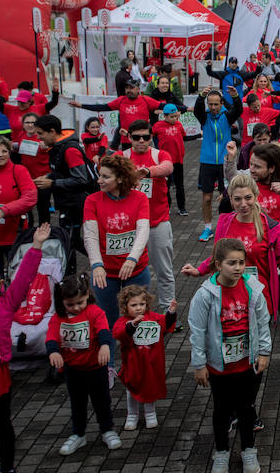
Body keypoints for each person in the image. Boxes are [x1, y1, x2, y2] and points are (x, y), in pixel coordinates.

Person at [183, 174, 280, 384]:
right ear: (230, 199)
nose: (243, 204)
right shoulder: (225, 222)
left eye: (248, 198)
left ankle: (247, 405)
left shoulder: (269, 225)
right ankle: (235, 405)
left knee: (256, 352)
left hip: (259, 298)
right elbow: (217, 256)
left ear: (256, 196)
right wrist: (199, 270)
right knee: (233, 348)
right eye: (237, 199)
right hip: (228, 295)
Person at [187, 238, 270, 473]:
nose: (237, 268)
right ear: (217, 264)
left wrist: (264, 352)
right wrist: (199, 364)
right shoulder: (205, 295)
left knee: (246, 409)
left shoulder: (253, 288)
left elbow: (263, 322)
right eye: (231, 263)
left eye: (241, 263)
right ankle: (222, 452)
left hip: (247, 364)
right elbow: (198, 331)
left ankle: (248, 451)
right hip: (219, 368)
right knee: (222, 411)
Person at [0, 223, 48, 473]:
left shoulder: (7, 303)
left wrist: (37, 245)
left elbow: (24, 277)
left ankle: (7, 467)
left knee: (2, 427)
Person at [83, 153, 151, 366]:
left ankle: (138, 363)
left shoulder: (139, 198)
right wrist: (96, 264)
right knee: (107, 320)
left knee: (138, 318)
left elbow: (143, 230)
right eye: (99, 175)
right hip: (106, 273)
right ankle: (109, 365)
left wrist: (132, 259)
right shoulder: (92, 200)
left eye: (105, 177)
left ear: (120, 178)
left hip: (136, 269)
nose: (99, 180)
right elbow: (90, 235)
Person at [45, 274, 121, 455]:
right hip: (73, 370)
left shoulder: (95, 312)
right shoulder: (58, 318)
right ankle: (78, 434)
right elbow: (51, 337)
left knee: (102, 400)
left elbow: (103, 330)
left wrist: (104, 346)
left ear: (88, 295)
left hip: (96, 368)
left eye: (81, 302)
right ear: (61, 301)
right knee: (77, 403)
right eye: (70, 304)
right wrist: (53, 351)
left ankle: (107, 430)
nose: (76, 307)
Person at [123, 119, 175, 312]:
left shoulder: (159, 154)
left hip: (157, 223)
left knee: (164, 271)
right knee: (132, 272)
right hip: (131, 227)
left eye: (146, 137)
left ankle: (169, 312)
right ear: (129, 138)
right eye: (136, 137)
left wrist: (148, 171)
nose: (141, 141)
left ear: (151, 137)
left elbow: (168, 167)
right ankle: (134, 312)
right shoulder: (123, 156)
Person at [112, 287, 176, 430]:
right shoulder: (123, 321)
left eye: (141, 304)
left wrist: (171, 313)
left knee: (150, 386)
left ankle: (150, 412)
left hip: (152, 362)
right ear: (125, 306)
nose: (138, 308)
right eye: (133, 305)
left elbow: (166, 324)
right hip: (133, 364)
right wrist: (132, 325)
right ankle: (132, 414)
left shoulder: (154, 317)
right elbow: (118, 333)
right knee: (132, 388)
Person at [33, 115, 97, 258]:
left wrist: (53, 183)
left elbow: (81, 179)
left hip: (77, 203)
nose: (38, 137)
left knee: (72, 241)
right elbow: (62, 172)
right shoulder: (56, 147)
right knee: (69, 241)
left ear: (52, 131)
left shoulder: (70, 150)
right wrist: (48, 177)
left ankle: (103, 266)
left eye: (40, 133)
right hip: (67, 202)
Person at [193, 87, 242, 242]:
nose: (213, 107)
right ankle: (208, 228)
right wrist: (201, 97)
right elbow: (196, 110)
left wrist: (235, 97)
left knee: (227, 197)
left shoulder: (226, 116)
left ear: (221, 104)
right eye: (210, 104)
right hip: (207, 162)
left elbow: (238, 111)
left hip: (224, 163)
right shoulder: (204, 117)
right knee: (207, 198)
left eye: (216, 104)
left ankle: (226, 226)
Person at [0, 136, 37, 271]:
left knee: (17, 277)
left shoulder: (18, 170)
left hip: (13, 236)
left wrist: (4, 210)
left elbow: (30, 197)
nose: (1, 155)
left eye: (4, 151)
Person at [69, 79, 164, 150]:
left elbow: (164, 106)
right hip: (126, 140)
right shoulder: (121, 100)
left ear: (138, 89)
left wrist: (178, 108)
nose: (129, 90)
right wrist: (81, 105)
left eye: (131, 88)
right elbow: (103, 107)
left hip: (143, 139)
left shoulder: (145, 100)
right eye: (127, 88)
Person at [152, 104, 192, 216]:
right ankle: (166, 207)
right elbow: (149, 135)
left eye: (176, 116)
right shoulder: (158, 126)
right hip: (165, 162)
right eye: (172, 117)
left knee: (180, 185)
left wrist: (198, 135)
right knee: (165, 185)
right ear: (164, 116)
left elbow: (184, 137)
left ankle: (182, 208)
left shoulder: (179, 124)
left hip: (178, 160)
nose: (175, 119)